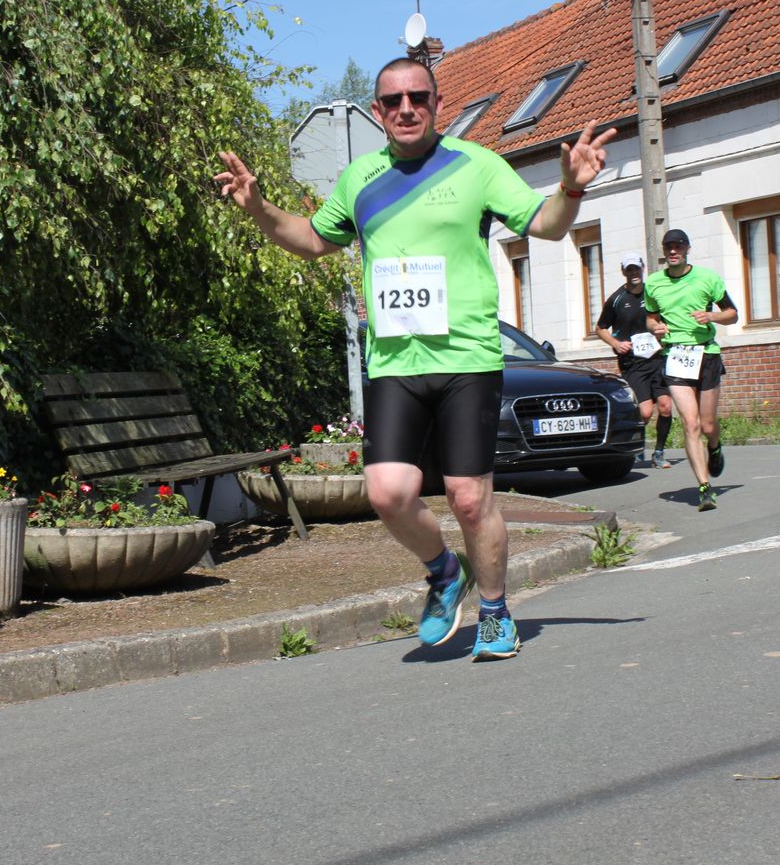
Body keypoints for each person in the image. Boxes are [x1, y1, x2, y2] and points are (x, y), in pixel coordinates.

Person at [216, 56, 616, 661]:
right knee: (388, 494)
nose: (407, 109)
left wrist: (572, 188)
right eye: (393, 101)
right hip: (395, 363)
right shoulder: (360, 178)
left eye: (418, 98)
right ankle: (444, 570)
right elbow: (312, 240)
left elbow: (548, 226)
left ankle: (496, 612)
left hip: (466, 357)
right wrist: (258, 207)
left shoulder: (477, 165)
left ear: (436, 103)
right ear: (378, 111)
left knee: (468, 497)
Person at [644, 228, 739, 511]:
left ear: (687, 249)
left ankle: (715, 446)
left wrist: (711, 316)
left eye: (678, 246)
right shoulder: (654, 283)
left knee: (707, 425)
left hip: (706, 354)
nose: (673, 251)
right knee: (690, 423)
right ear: (664, 251)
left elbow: (732, 314)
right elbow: (650, 317)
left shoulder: (707, 278)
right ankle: (704, 487)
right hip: (675, 356)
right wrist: (655, 327)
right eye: (668, 247)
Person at [595, 252, 674, 468]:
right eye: (629, 269)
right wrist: (615, 343)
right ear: (624, 272)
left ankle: (659, 453)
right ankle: (636, 446)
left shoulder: (653, 294)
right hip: (633, 363)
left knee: (666, 407)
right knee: (645, 412)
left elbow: (666, 319)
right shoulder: (616, 299)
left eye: (636, 268)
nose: (633, 273)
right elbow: (600, 328)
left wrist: (663, 331)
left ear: (642, 269)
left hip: (657, 358)